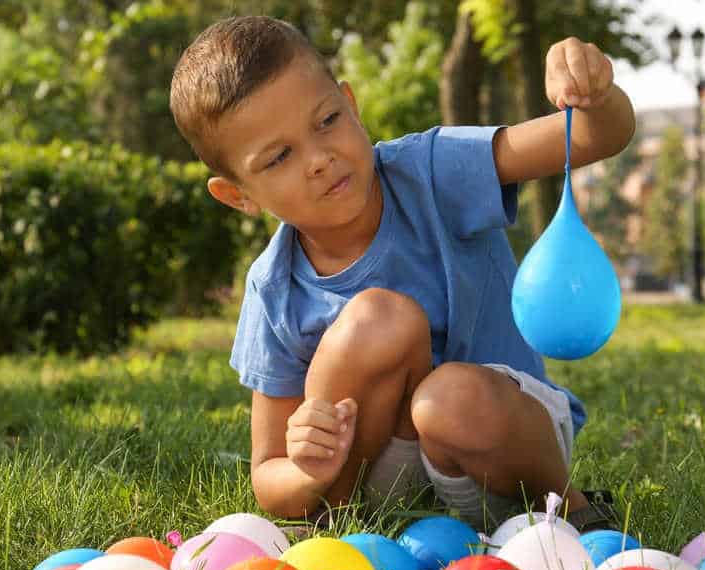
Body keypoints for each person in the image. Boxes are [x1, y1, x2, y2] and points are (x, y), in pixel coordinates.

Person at [169, 16, 634, 532]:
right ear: (239, 196)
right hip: (378, 482)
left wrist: (592, 92)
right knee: (376, 320)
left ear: (351, 104)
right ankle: (341, 528)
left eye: (327, 121)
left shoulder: (434, 171)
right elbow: (268, 477)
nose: (320, 159)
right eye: (279, 157)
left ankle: (576, 513)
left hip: (506, 447)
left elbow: (595, 137)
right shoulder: (274, 287)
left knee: (446, 396)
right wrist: (305, 471)